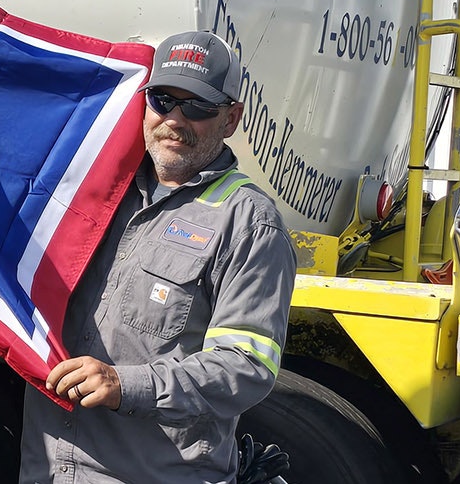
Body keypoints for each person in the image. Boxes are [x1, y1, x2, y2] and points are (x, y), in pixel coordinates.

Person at [19, 31, 297, 483]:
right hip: (47, 470)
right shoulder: (87, 191)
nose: (175, 119)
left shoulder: (249, 224)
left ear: (232, 119)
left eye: (199, 107)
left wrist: (126, 385)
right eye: (163, 100)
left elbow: (245, 366)